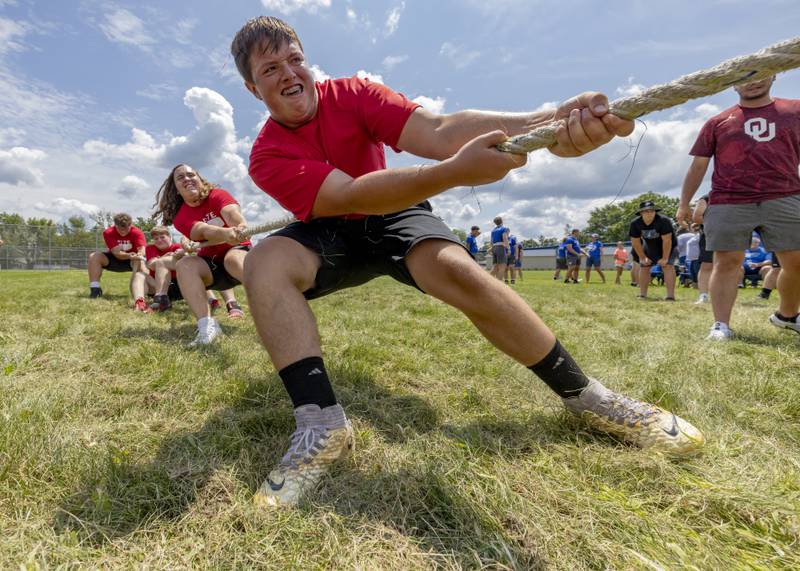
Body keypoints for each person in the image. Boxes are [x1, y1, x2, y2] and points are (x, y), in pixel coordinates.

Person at [231, 16, 704, 507]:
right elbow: (350, 194)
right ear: (252, 87)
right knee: (264, 260)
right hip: (333, 223)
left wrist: (549, 122)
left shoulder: (352, 93)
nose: (289, 73)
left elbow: (438, 130)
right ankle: (321, 425)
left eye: (295, 59)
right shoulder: (266, 155)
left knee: (456, 269)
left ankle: (589, 398)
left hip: (394, 211)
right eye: (270, 68)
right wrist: (454, 173)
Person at [677, 75, 800, 340]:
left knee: (796, 262)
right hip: (729, 199)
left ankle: (787, 316)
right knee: (726, 262)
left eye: (761, 74)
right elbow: (698, 165)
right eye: (744, 77)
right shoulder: (718, 122)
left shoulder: (795, 110)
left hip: (785, 194)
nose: (753, 82)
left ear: (775, 73)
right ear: (733, 84)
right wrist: (684, 203)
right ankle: (721, 325)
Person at [152, 164, 250, 345]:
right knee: (185, 264)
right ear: (176, 190)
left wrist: (240, 227)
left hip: (236, 251)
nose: (187, 179)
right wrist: (225, 234)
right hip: (211, 263)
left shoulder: (217, 194)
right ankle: (207, 325)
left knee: (233, 259)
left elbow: (231, 213)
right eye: (180, 177)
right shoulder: (180, 216)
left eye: (191, 175)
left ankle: (278, 308)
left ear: (200, 179)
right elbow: (201, 231)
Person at [144, 226, 232, 314]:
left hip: (180, 280)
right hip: (166, 283)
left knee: (197, 274)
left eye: (162, 237)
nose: (159, 240)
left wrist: (180, 255)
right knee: (146, 272)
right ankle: (159, 300)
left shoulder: (177, 247)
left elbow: (187, 262)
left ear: (169, 237)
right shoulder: (150, 248)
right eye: (156, 238)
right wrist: (166, 257)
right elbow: (151, 265)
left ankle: (213, 300)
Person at [87, 213, 150, 311]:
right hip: (115, 259)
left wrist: (139, 254)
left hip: (132, 261)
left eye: (126, 229)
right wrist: (129, 255)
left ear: (131, 225)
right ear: (115, 225)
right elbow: (117, 253)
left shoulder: (137, 232)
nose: (123, 232)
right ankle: (95, 289)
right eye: (120, 229)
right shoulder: (108, 232)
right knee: (94, 256)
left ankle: (147, 293)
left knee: (141, 263)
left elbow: (142, 250)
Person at [629, 201, 677, 301]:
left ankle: (670, 296)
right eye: (646, 211)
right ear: (641, 213)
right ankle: (642, 294)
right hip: (650, 246)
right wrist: (642, 257)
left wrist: (664, 258)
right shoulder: (635, 223)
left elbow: (667, 240)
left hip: (668, 246)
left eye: (652, 210)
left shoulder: (663, 221)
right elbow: (635, 242)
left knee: (667, 266)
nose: (649, 213)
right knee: (644, 267)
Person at [691, 196, 713, 304]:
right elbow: (697, 217)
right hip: (710, 235)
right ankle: (703, 295)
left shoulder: (738, 196)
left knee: (728, 266)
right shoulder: (707, 198)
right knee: (706, 266)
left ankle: (724, 295)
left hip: (731, 235)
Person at [489, 217, 510, 281]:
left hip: (494, 248)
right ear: (502, 221)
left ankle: (487, 281)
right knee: (502, 267)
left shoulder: (493, 230)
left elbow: (491, 241)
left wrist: (492, 249)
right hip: (501, 247)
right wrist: (508, 248)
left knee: (495, 267)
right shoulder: (504, 229)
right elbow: (505, 238)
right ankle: (499, 284)